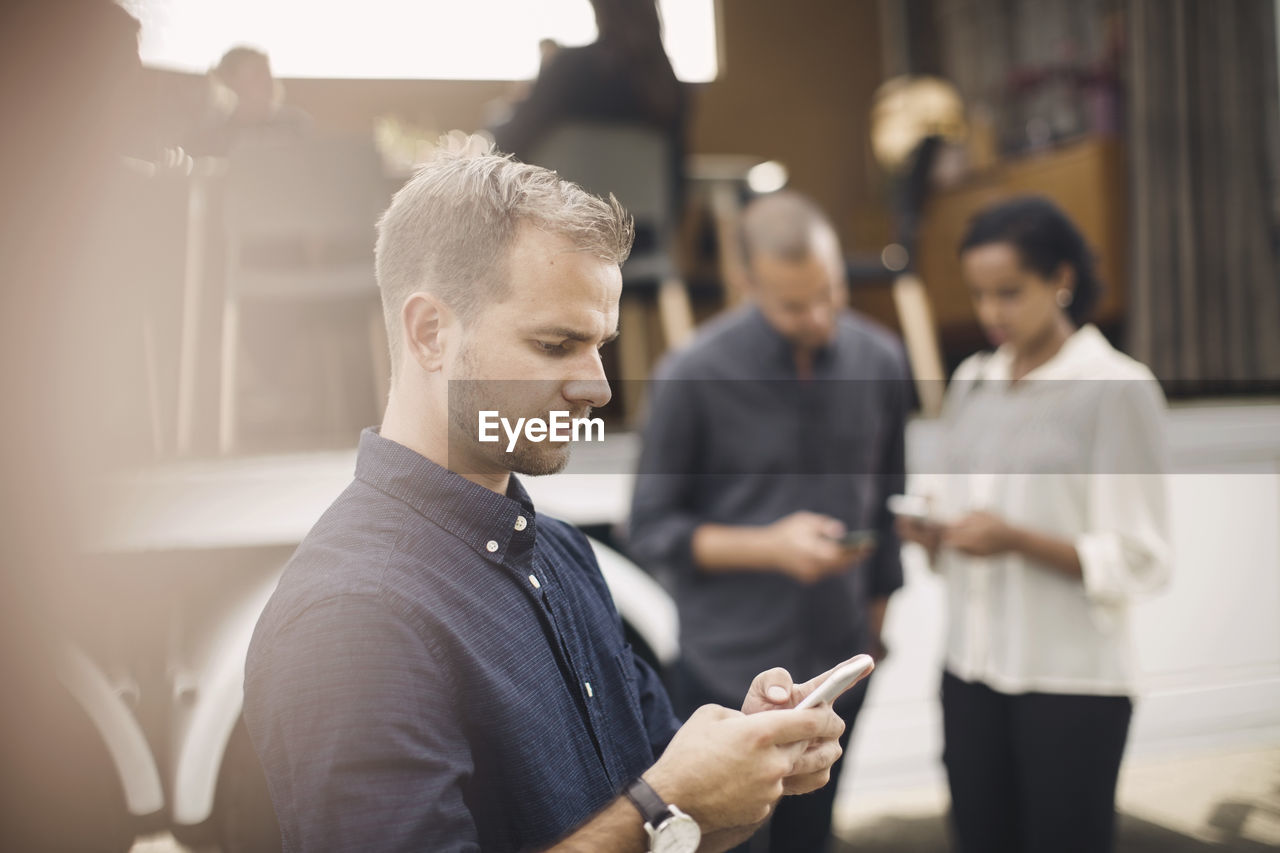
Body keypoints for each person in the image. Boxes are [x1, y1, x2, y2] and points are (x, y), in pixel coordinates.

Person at [243, 135, 863, 853]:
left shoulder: (563, 553)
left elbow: (666, 816)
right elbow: (655, 813)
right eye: (556, 344)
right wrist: (666, 805)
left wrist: (739, 769)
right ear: (430, 332)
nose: (598, 386)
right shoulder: (351, 619)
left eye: (600, 345)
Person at [628, 191, 911, 852]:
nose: (819, 317)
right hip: (726, 672)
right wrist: (769, 546)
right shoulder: (689, 376)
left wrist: (877, 631)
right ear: (744, 283)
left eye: (831, 292)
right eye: (794, 304)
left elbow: (889, 506)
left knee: (813, 839)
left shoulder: (883, 361)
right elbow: (649, 528)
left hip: (839, 668)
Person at [896, 196, 1171, 853]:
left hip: (1071, 684)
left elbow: (1141, 557)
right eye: (979, 294)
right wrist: (935, 531)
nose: (990, 312)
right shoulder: (973, 381)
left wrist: (1015, 539)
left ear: (1061, 279)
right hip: (970, 670)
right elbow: (958, 500)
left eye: (1009, 293)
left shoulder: (1116, 388)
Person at [490, 0, 686, 207]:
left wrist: (499, 119)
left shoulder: (569, 69)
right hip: (646, 231)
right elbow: (677, 180)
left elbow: (508, 144)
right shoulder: (666, 87)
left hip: (564, 223)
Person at [184, 46, 311, 156]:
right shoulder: (211, 129)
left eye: (268, 74)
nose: (267, 82)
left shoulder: (293, 122)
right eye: (256, 75)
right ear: (229, 83)